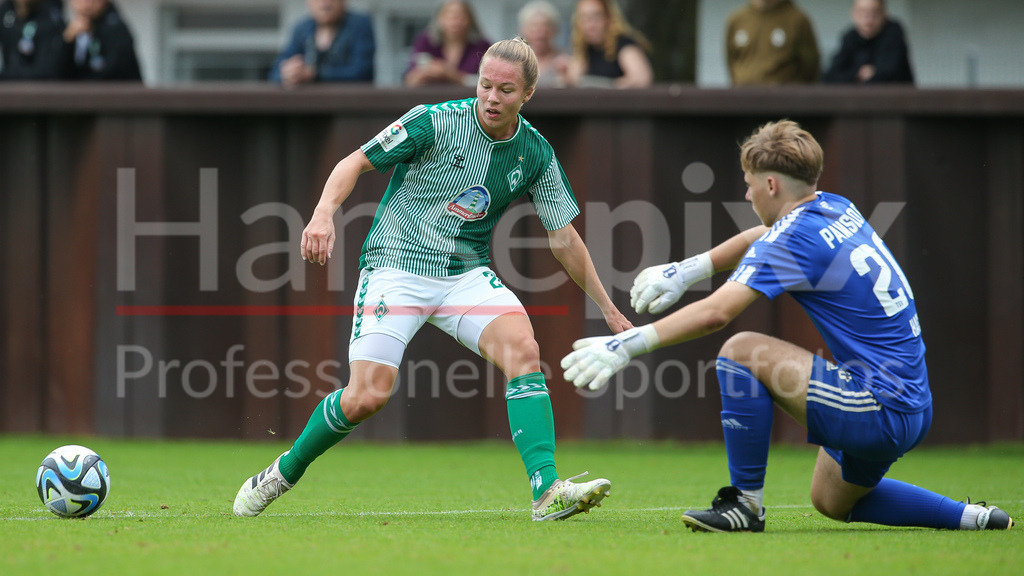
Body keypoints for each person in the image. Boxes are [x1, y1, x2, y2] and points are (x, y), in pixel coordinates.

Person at [234, 37, 632, 522]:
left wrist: (609, 310)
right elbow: (354, 161)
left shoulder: (536, 152)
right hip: (395, 268)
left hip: (465, 275)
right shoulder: (436, 120)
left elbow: (564, 238)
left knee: (524, 352)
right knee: (367, 396)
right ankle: (283, 472)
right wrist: (322, 215)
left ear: (527, 94)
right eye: (485, 84)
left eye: (505, 90)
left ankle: (546, 492)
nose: (491, 97)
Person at [561, 120, 1014, 533]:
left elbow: (718, 313)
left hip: (878, 407)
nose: (748, 195)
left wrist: (627, 345)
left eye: (750, 185)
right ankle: (972, 517)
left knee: (741, 351)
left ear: (771, 183)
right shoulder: (836, 207)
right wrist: (688, 269)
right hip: (913, 404)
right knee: (831, 498)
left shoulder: (794, 236)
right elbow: (763, 235)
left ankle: (745, 505)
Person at [269, 0, 374, 86]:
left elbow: (361, 72)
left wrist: (313, 74)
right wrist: (289, 74)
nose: (325, 3)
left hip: (349, 106)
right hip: (309, 107)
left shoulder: (359, 25)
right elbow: (276, 72)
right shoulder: (302, 29)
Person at [725, 0, 820, 85]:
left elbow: (810, 65)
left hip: (783, 100)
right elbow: (732, 62)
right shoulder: (736, 20)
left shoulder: (798, 19)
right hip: (743, 98)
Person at [565, 0, 652, 89]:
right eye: (584, 18)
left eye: (596, 16)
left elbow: (641, 78)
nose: (591, 25)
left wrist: (612, 85)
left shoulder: (623, 45)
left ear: (608, 18)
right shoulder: (585, 49)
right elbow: (574, 79)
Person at [823, 0, 913, 84]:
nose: (869, 20)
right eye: (862, 12)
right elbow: (831, 76)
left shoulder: (893, 33)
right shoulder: (850, 37)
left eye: (874, 13)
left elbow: (889, 73)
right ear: (853, 14)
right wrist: (858, 73)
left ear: (884, 14)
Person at [403, 0, 490, 87]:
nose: (456, 23)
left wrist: (449, 73)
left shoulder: (482, 46)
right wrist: (422, 75)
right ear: (440, 19)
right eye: (451, 17)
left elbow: (486, 82)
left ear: (470, 20)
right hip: (431, 98)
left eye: (461, 17)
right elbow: (410, 79)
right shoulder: (425, 41)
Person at [61, 0, 141, 81]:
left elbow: (111, 73)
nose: (87, 5)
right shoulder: (67, 29)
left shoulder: (116, 29)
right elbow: (56, 73)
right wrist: (67, 41)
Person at [0, 0, 65, 80]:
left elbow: (48, 68)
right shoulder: (5, 10)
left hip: (40, 84)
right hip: (9, 83)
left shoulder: (50, 15)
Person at [517, 0, 569, 88]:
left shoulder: (565, 61)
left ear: (555, 30)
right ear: (523, 30)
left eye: (545, 26)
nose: (540, 31)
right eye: (534, 26)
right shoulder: (516, 62)